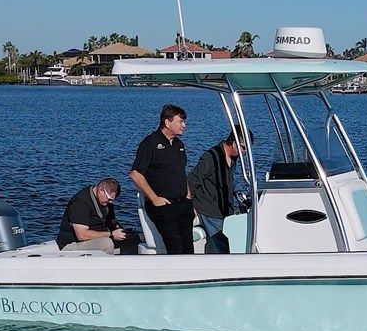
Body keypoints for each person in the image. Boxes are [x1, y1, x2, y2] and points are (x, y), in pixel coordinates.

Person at [130, 103, 194, 254]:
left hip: (183, 204)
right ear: (167, 122)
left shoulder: (179, 144)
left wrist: (188, 197)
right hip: (163, 205)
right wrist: (154, 198)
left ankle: (189, 269)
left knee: (188, 246)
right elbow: (136, 174)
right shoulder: (150, 143)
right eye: (180, 121)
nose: (184, 125)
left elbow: (180, 172)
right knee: (175, 244)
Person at [188, 126, 254, 254]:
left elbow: (228, 182)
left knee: (229, 239)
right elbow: (191, 181)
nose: (246, 152)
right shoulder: (211, 157)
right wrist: (190, 207)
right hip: (209, 210)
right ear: (234, 144)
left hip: (224, 210)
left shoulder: (233, 158)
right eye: (244, 148)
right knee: (222, 247)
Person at [57, 177, 129, 254]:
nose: (110, 202)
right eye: (109, 199)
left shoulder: (106, 203)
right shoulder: (80, 203)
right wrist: (111, 235)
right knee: (106, 243)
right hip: (72, 244)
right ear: (101, 191)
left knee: (132, 239)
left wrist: (120, 230)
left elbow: (112, 222)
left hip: (98, 238)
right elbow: (81, 235)